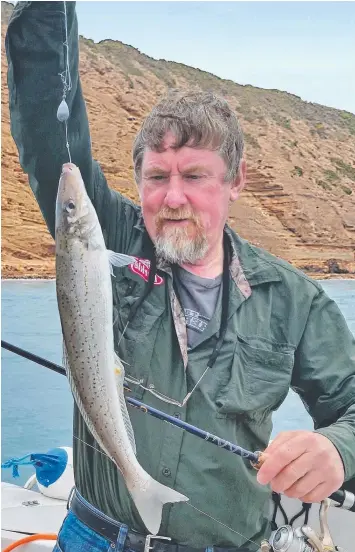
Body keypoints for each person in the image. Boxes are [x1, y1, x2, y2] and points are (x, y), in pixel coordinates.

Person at [5, 2, 355, 552]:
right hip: (93, 536)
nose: (172, 197)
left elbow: (351, 404)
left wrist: (338, 449)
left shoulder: (295, 300)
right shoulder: (109, 235)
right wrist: (48, 10)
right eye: (156, 176)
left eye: (194, 176)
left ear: (235, 181)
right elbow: (47, 126)